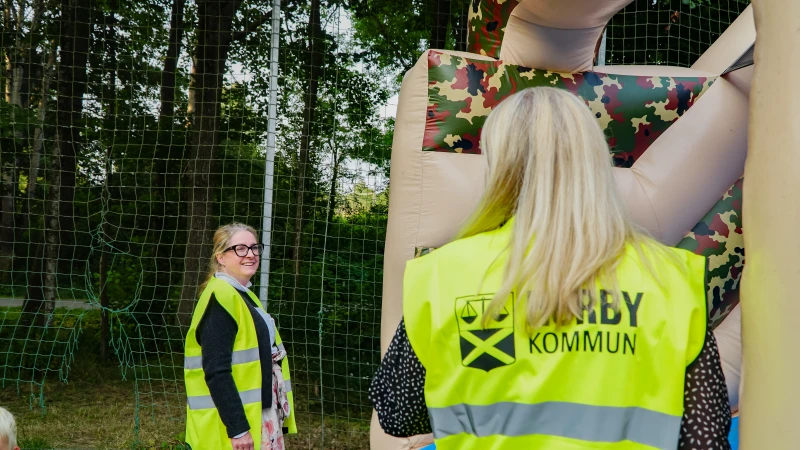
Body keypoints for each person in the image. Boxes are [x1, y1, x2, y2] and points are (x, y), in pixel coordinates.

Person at [369, 87, 732, 449]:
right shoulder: (669, 277)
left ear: (499, 165)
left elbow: (399, 414)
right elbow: (705, 439)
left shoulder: (443, 274)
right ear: (595, 162)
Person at [184, 223, 296, 450]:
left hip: (254, 414)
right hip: (230, 427)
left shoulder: (243, 295)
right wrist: (238, 429)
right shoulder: (221, 297)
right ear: (221, 257)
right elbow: (217, 371)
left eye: (254, 248)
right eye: (240, 249)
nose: (251, 254)